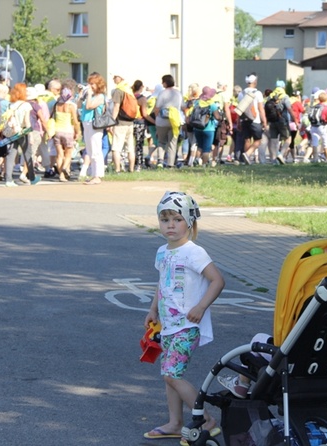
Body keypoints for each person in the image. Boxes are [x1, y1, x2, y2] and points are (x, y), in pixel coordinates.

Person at [143, 191, 224, 440]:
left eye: (177, 219)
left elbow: (217, 281)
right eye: (164, 219)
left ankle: (206, 419)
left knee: (171, 374)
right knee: (168, 376)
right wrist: (153, 309)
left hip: (188, 326)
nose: (170, 225)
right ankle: (175, 423)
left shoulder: (194, 252)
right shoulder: (162, 252)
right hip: (168, 326)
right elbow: (162, 283)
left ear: (189, 222)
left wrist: (200, 307)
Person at [3, 83, 39, 187]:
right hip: (23, 132)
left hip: (12, 132)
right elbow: (27, 122)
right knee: (28, 155)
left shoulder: (11, 104)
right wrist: (30, 135)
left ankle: (8, 180)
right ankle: (32, 177)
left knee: (11, 155)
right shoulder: (26, 105)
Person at [77, 72, 107, 185]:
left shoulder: (100, 96)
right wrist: (81, 94)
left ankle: (97, 175)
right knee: (89, 150)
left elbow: (89, 106)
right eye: (89, 83)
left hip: (95, 124)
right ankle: (94, 174)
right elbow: (79, 105)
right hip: (86, 122)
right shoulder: (90, 95)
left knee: (96, 150)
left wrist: (89, 94)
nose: (90, 86)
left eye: (93, 84)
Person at [237, 73, 267, 165]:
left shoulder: (241, 94)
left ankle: (246, 160)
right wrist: (264, 121)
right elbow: (261, 109)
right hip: (255, 120)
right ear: (254, 82)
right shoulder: (258, 93)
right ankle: (247, 154)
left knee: (247, 139)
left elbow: (239, 109)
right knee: (258, 140)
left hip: (244, 120)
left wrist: (238, 122)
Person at [52, 86, 80, 182]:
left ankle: (61, 176)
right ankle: (65, 167)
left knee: (60, 155)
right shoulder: (70, 107)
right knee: (68, 153)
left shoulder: (56, 105)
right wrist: (78, 131)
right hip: (68, 131)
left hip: (57, 131)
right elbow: (75, 121)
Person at [154, 74, 183, 168]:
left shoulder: (162, 93)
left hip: (162, 121)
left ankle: (160, 161)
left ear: (165, 83)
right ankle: (170, 163)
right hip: (174, 121)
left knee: (161, 141)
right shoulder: (178, 93)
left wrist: (156, 118)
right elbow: (183, 107)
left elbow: (157, 108)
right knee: (172, 142)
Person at [110, 74, 136, 173]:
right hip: (130, 122)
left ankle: (117, 170)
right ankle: (131, 169)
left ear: (121, 78)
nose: (113, 79)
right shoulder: (129, 90)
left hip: (120, 122)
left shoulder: (119, 90)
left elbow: (116, 108)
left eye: (115, 77)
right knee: (130, 148)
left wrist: (111, 122)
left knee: (116, 147)